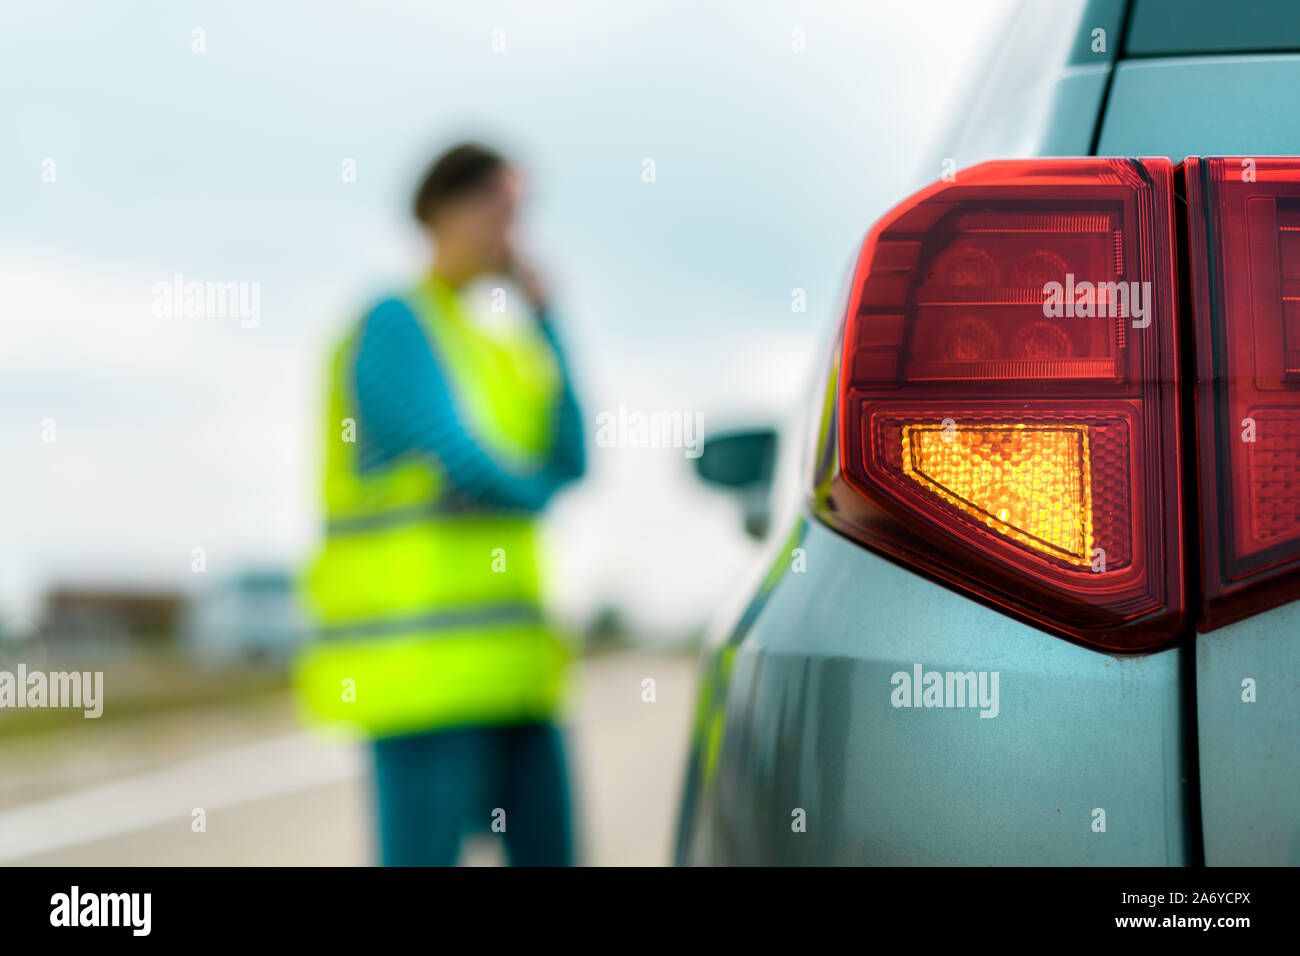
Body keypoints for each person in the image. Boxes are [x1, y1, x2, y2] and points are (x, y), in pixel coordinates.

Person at [295, 142, 585, 866]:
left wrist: (550, 320)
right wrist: (535, 493)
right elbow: (463, 463)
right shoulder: (393, 325)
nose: (513, 236)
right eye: (500, 211)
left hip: (515, 676)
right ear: (442, 212)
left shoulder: (502, 344)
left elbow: (574, 457)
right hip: (422, 679)